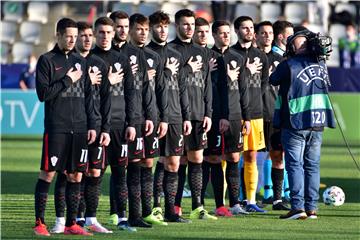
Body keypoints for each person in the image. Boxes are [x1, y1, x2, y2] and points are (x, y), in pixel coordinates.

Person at [33, 17, 96, 236]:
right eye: (67, 36)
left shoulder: (81, 61)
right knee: (48, 173)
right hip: (56, 127)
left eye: (74, 36)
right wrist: (67, 80)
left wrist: (92, 125)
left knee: (76, 175)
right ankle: (39, 223)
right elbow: (43, 95)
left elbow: (89, 96)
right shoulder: (47, 60)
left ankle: (71, 224)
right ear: (58, 35)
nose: (72, 40)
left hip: (79, 128)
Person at [50, 21, 113, 234]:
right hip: (73, 126)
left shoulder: (99, 64)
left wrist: (104, 128)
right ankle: (66, 220)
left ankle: (90, 218)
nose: (86, 39)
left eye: (89, 35)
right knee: (68, 172)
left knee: (94, 172)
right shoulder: (69, 63)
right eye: (82, 35)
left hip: (94, 127)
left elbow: (106, 99)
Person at [269, 30, 335, 219]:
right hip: (318, 122)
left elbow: (272, 79)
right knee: (312, 165)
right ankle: (311, 208)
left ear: (291, 48)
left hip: (295, 121)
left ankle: (297, 207)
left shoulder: (288, 64)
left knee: (295, 165)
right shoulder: (321, 63)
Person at [91, 16, 137, 232]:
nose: (106, 36)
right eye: (101, 32)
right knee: (94, 173)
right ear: (94, 33)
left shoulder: (122, 59)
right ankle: (85, 217)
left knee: (120, 172)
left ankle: (121, 217)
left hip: (119, 124)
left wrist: (131, 122)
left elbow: (130, 93)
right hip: (96, 124)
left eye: (109, 33)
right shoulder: (87, 59)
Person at [169, 9, 216, 220]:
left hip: (199, 114)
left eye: (192, 25)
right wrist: (185, 69)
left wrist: (208, 113)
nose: (189, 28)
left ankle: (197, 206)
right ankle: (174, 206)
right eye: (185, 24)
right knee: (175, 161)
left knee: (197, 158)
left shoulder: (204, 53)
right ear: (177, 25)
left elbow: (207, 86)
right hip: (177, 114)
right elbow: (167, 83)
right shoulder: (170, 50)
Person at [147, 10, 192, 223]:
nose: (162, 30)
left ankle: (171, 211)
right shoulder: (146, 54)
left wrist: (185, 116)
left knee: (173, 163)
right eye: (158, 26)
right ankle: (154, 207)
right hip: (153, 116)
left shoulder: (176, 54)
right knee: (155, 161)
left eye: (165, 26)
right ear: (151, 29)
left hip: (175, 116)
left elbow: (182, 87)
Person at [205, 20, 251, 217]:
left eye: (228, 33)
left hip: (235, 115)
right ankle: (218, 204)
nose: (226, 36)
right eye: (222, 33)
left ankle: (235, 203)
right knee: (213, 157)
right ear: (214, 35)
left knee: (234, 157)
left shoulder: (237, 57)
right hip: (214, 115)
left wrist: (246, 117)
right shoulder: (208, 57)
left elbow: (244, 89)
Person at [232, 16, 268, 213]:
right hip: (235, 113)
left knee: (252, 155)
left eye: (251, 28)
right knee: (231, 156)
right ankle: (231, 200)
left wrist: (253, 102)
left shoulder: (260, 56)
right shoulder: (230, 54)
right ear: (237, 30)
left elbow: (263, 84)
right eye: (244, 28)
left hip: (255, 114)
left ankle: (251, 200)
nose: (248, 31)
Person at [255, 21, 290, 211]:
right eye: (263, 32)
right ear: (256, 36)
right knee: (250, 156)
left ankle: (277, 199)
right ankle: (246, 199)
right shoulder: (251, 58)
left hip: (275, 115)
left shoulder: (281, 60)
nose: (267, 36)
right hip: (255, 114)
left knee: (278, 155)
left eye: (269, 32)